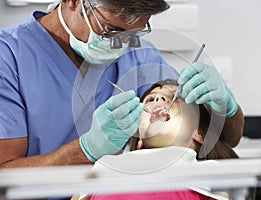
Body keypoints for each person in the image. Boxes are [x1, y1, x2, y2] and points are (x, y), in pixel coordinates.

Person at [0, 0, 243, 196]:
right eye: (112, 31)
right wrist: (86, 150)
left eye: (136, 33)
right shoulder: (9, 58)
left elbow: (226, 139)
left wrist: (226, 107)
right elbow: (4, 177)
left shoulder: (140, 55)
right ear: (74, 2)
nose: (123, 45)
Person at [73, 79, 243, 200]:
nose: (158, 99)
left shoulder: (209, 172)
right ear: (138, 139)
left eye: (175, 98)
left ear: (199, 134)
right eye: (150, 99)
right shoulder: (105, 165)